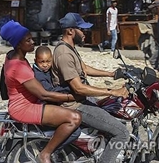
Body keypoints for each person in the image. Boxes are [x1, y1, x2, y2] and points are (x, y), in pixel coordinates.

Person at [51, 12, 129, 163]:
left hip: (81, 99)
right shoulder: (63, 54)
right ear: (70, 31)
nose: (85, 33)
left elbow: (84, 69)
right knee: (121, 132)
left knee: (114, 111)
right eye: (82, 29)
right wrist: (112, 91)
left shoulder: (70, 48)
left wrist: (112, 74)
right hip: (75, 105)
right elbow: (79, 88)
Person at [0, 20, 82, 163]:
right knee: (74, 118)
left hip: (26, 102)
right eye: (28, 40)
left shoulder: (12, 55)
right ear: (18, 44)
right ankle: (46, 154)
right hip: (24, 108)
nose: (33, 42)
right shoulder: (18, 67)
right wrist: (72, 96)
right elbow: (43, 94)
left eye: (32, 38)